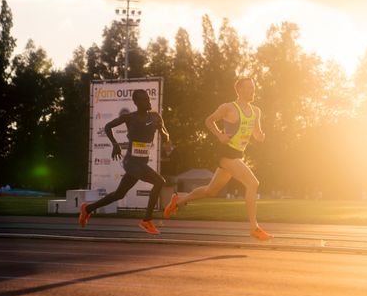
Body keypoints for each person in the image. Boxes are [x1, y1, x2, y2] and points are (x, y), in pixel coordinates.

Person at [163, 77, 273, 241]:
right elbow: (209, 121)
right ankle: (254, 228)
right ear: (240, 90)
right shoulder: (228, 108)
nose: (253, 91)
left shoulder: (256, 111)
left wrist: (260, 137)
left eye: (253, 87)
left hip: (237, 155)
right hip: (225, 154)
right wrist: (220, 135)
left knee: (210, 191)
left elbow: (256, 133)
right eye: (249, 88)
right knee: (253, 183)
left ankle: (177, 201)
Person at [79, 89, 172, 235]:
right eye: (144, 100)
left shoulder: (155, 117)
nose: (148, 102)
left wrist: (163, 132)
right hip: (131, 162)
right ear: (136, 103)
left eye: (148, 99)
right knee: (159, 181)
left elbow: (166, 135)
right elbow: (108, 127)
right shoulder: (129, 117)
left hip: (141, 162)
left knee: (119, 194)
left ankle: (87, 209)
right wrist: (115, 144)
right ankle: (146, 220)